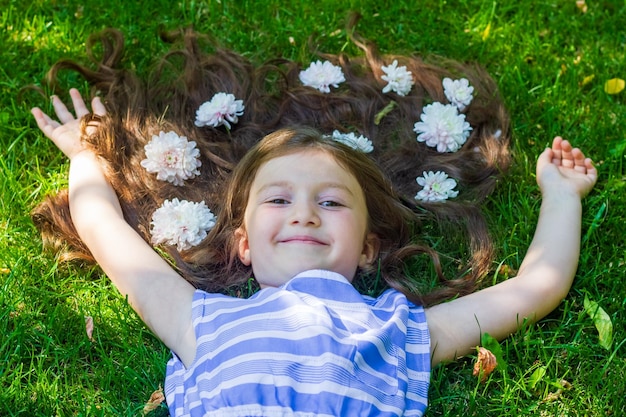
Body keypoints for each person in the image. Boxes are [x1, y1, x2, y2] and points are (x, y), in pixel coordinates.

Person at [29, 23, 597, 417]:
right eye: (278, 200)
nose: (303, 212)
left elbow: (534, 289)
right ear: (244, 243)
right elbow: (111, 240)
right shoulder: (204, 323)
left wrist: (562, 194)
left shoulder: (395, 334)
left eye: (331, 202)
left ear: (369, 247)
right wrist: (86, 158)